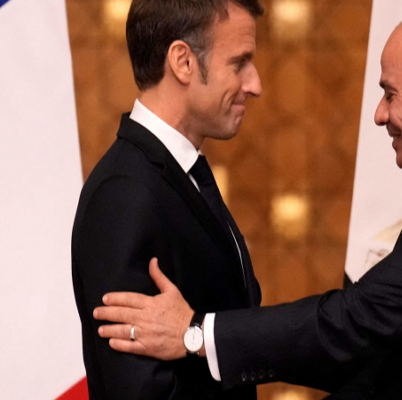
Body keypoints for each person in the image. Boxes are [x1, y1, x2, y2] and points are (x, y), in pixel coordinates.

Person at [93, 3, 402, 399]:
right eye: (240, 63)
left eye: (390, 93)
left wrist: (196, 333)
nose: (379, 114)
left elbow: (357, 324)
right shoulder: (125, 191)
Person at [71, 0, 264, 398]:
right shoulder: (123, 194)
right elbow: (137, 390)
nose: (255, 84)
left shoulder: (176, 173)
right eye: (239, 63)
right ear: (183, 62)